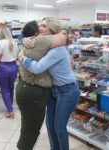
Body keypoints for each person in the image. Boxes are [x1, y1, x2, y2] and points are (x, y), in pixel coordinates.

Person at [19, 18, 80, 150]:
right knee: (50, 125)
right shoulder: (46, 46)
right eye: (40, 25)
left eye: (44, 26)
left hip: (67, 90)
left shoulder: (57, 50)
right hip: (54, 90)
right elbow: (28, 42)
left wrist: (24, 58)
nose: (40, 28)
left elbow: (37, 68)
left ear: (52, 29)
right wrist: (23, 40)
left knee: (59, 126)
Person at [0, 27, 18, 118]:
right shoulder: (14, 42)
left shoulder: (1, 42)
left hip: (4, 67)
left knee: (5, 90)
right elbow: (17, 55)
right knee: (11, 88)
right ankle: (10, 106)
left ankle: (10, 110)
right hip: (14, 66)